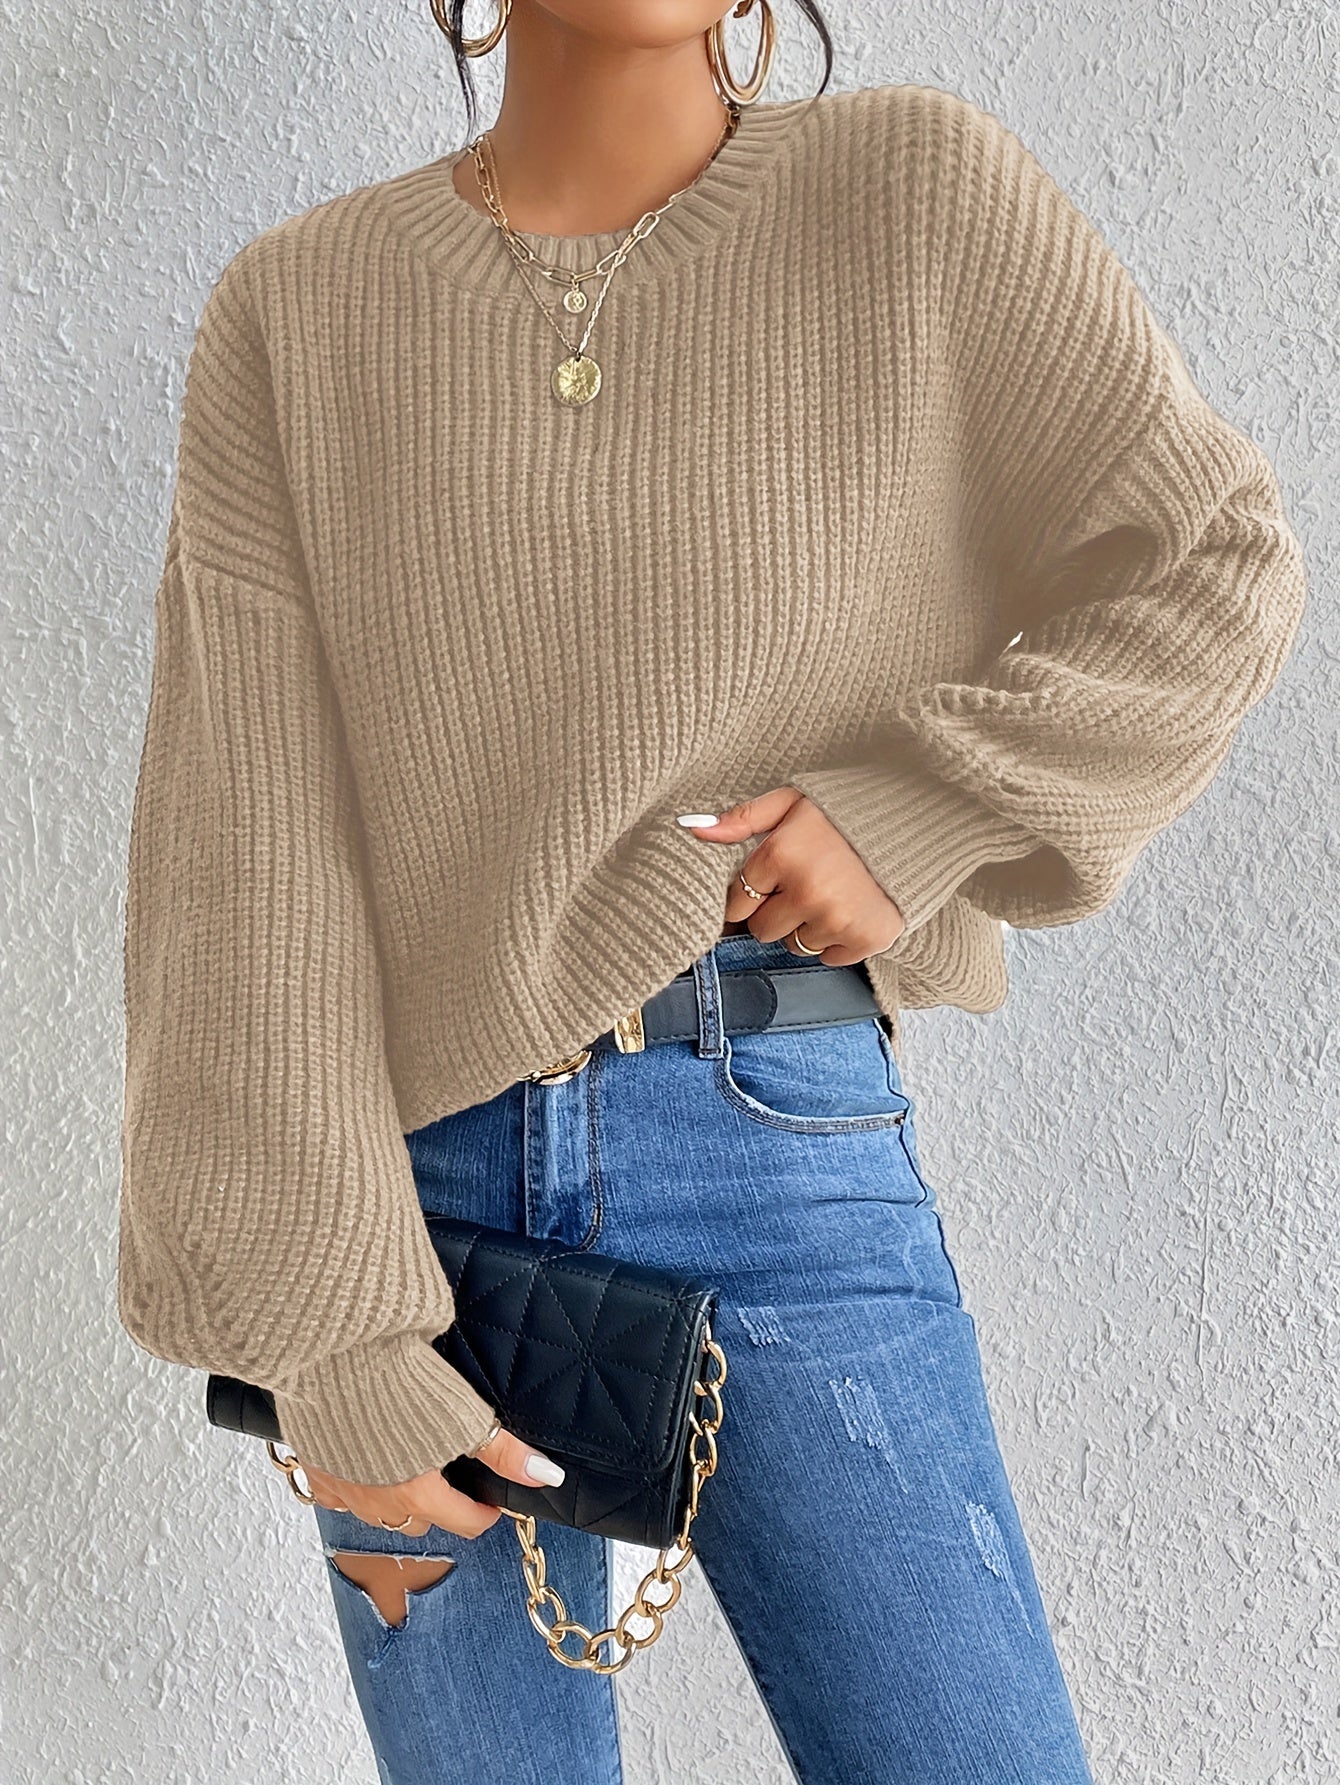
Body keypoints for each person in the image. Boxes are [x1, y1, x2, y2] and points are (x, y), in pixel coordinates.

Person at [116, 2, 1308, 1780]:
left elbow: (1210, 560)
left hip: (772, 1137)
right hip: (405, 1228)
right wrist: (333, 1336)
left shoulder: (911, 193)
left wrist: (920, 808)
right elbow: (244, 864)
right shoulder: (300, 308)